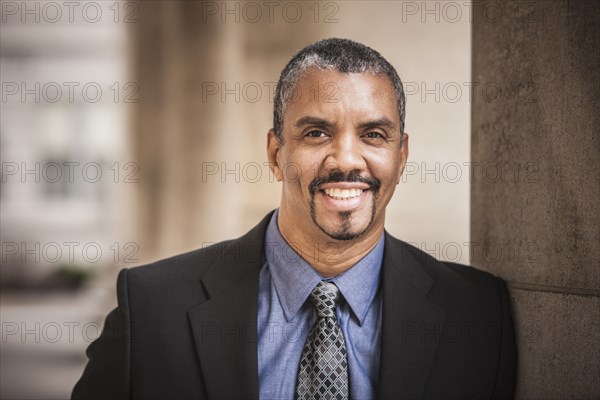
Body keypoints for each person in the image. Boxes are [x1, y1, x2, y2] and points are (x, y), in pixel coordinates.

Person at [72, 38, 517, 400]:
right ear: (275, 154)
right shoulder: (152, 308)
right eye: (316, 133)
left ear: (401, 157)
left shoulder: (478, 315)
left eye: (374, 135)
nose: (346, 159)